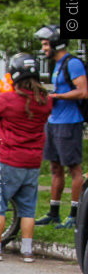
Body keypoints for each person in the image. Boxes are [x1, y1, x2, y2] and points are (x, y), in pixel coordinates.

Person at [0, 53, 52, 262]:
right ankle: (27, 252)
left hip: (8, 160)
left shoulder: (7, 100)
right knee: (28, 208)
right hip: (33, 163)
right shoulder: (45, 101)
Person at [34, 24, 86, 229]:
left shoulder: (73, 63)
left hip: (69, 122)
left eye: (46, 44)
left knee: (74, 168)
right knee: (55, 167)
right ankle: (53, 213)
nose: (44, 48)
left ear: (57, 43)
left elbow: (83, 91)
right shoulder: (57, 64)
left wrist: (56, 96)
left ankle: (74, 215)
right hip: (54, 121)